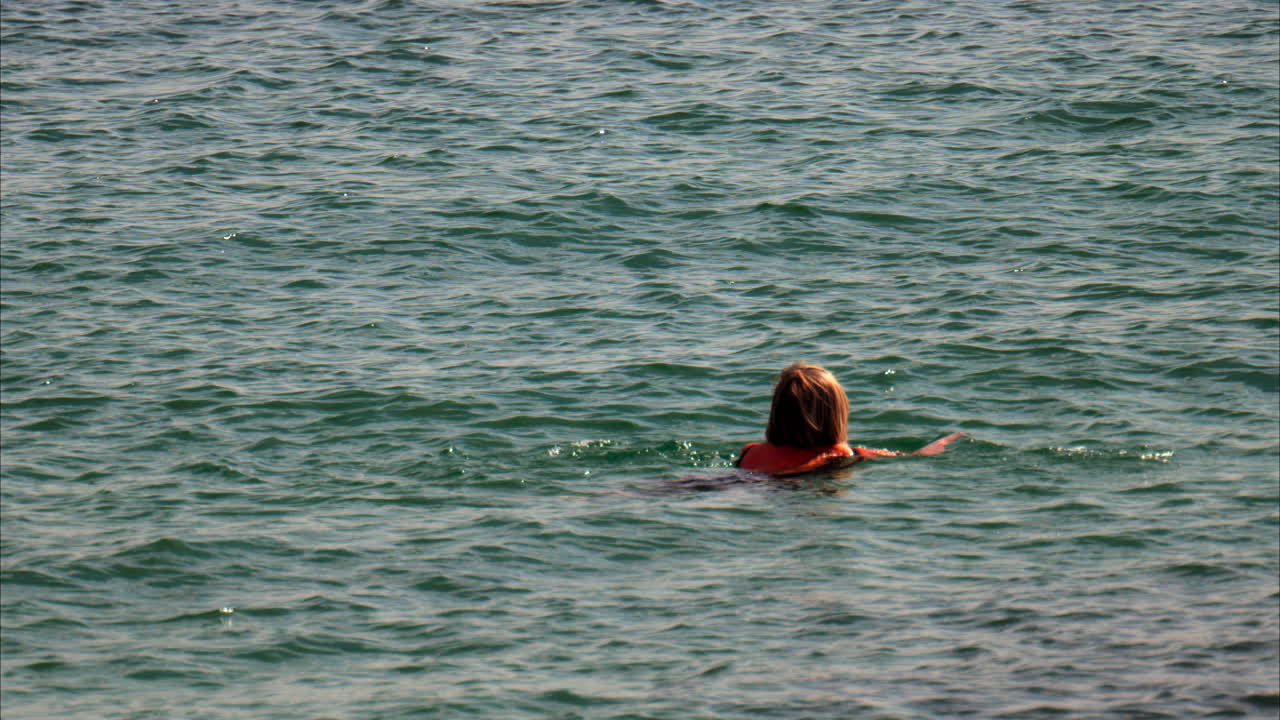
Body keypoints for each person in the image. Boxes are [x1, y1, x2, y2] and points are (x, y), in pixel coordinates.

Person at [735, 363, 964, 476]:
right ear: (834, 415)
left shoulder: (749, 452)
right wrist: (938, 446)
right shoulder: (841, 454)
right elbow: (910, 459)